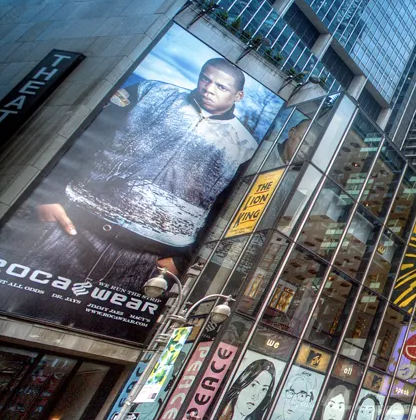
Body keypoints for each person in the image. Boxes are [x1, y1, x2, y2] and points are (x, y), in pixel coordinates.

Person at [21, 58, 261, 297]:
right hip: (75, 225)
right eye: (205, 79)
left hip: (151, 259)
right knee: (21, 300)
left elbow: (227, 211)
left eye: (221, 87)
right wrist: (49, 194)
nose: (208, 89)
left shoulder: (246, 146)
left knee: (112, 330)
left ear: (237, 96)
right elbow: (86, 138)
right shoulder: (150, 93)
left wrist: (184, 259)